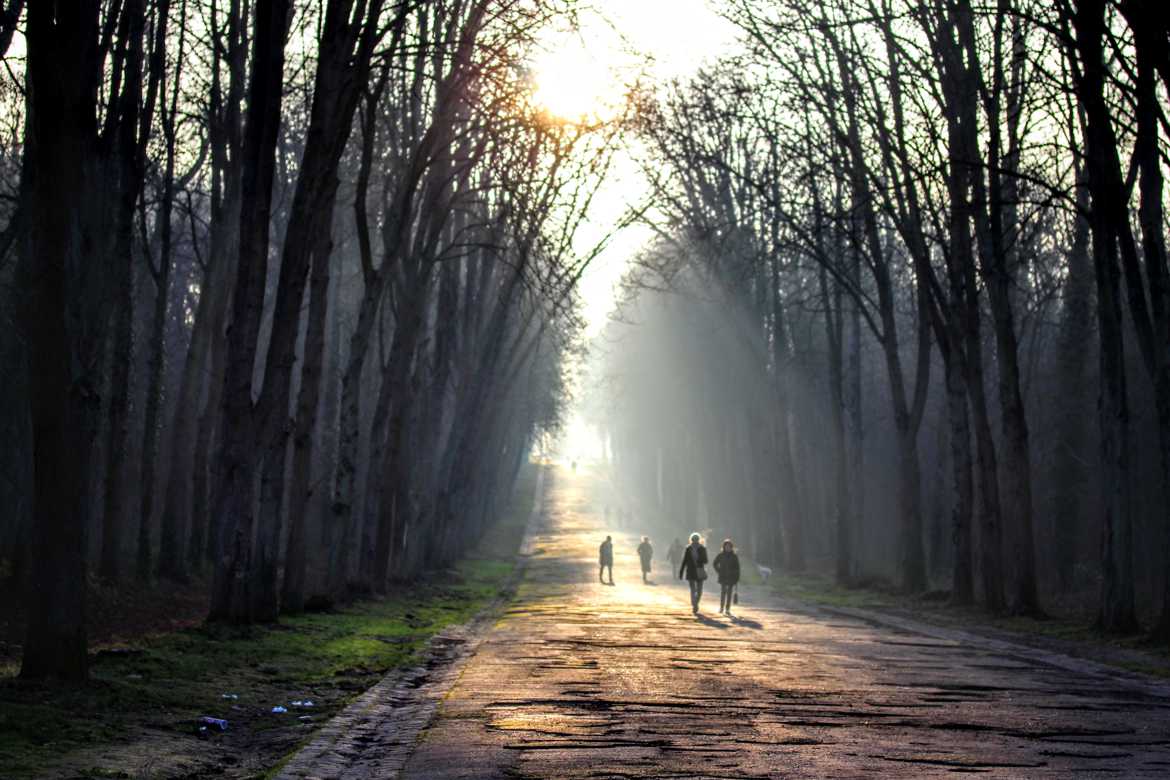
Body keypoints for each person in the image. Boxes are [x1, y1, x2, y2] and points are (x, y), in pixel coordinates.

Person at [678, 533, 709, 614]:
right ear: (691, 540)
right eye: (693, 540)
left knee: (698, 590)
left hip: (699, 571)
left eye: (696, 539)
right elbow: (685, 560)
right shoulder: (688, 548)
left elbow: (706, 560)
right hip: (691, 571)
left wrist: (699, 559)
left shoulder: (702, 548)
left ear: (698, 540)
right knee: (695, 589)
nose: (695, 541)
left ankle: (695, 604)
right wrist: (681, 571)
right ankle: (695, 604)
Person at [712, 539, 741, 616]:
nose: (727, 548)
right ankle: (721, 607)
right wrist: (719, 571)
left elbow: (737, 568)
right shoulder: (720, 555)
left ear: (731, 547)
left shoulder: (734, 556)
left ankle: (727, 609)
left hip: (731, 577)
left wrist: (737, 577)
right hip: (723, 576)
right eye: (726, 546)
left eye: (729, 546)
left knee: (729, 593)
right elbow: (714, 563)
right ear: (724, 547)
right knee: (723, 592)